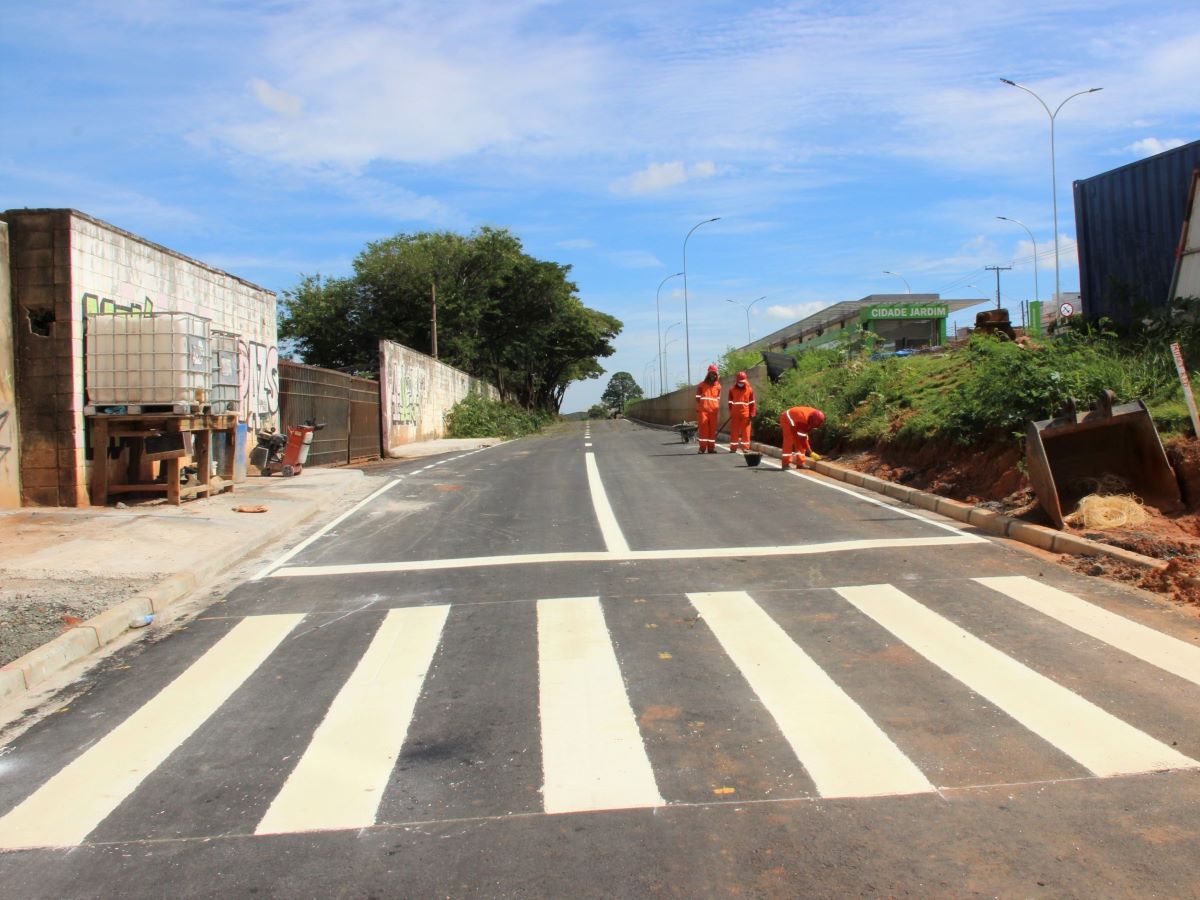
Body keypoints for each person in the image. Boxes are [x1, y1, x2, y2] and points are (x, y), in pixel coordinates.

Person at [695, 364, 722, 454]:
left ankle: (711, 448)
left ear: (716, 374)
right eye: (711, 373)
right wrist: (703, 405)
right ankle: (702, 448)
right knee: (704, 429)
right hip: (704, 411)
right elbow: (697, 398)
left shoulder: (718, 386)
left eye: (714, 373)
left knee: (712, 430)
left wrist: (715, 407)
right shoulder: (701, 385)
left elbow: (718, 399)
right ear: (708, 374)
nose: (712, 375)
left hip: (713, 412)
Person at [727, 371, 756, 452]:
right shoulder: (732, 390)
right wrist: (732, 412)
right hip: (735, 415)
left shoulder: (749, 390)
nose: (741, 383)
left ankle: (745, 448)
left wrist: (752, 413)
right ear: (737, 381)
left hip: (745, 414)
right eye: (740, 382)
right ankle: (733, 448)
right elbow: (730, 402)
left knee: (746, 432)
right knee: (734, 431)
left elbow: (752, 403)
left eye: (742, 382)